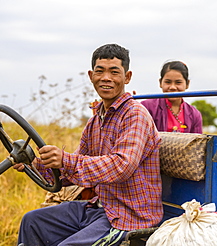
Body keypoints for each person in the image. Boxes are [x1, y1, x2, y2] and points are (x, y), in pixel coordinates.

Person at [14, 43, 163, 246]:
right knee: (32, 221)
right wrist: (35, 165)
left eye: (114, 72)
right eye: (100, 71)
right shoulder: (95, 120)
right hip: (99, 208)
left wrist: (66, 159)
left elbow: (122, 166)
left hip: (129, 217)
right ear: (91, 75)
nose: (106, 78)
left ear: (127, 77)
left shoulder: (135, 114)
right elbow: (69, 173)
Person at [141, 61, 203, 133]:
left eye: (178, 82)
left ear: (187, 84)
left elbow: (197, 142)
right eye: (168, 82)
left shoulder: (194, 114)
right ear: (160, 83)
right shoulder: (147, 107)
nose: (172, 87)